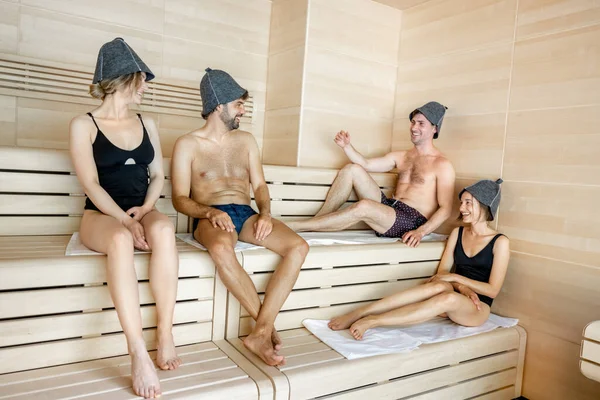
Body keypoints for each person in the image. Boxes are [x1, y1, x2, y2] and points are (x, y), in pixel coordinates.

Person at [171, 68, 309, 367]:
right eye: (238, 104)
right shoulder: (187, 144)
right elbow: (179, 198)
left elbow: (259, 185)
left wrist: (266, 214)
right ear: (218, 105)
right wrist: (209, 211)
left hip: (247, 213)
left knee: (298, 247)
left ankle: (259, 331)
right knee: (221, 248)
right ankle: (266, 328)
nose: (243, 110)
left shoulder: (245, 140)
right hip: (211, 217)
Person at [69, 38, 180, 399]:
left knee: (164, 229)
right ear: (124, 79)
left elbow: (159, 176)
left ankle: (164, 332)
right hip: (100, 216)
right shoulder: (83, 124)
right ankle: (136, 351)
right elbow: (90, 184)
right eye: (142, 79)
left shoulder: (148, 122)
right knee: (119, 240)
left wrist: (145, 212)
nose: (146, 87)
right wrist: (126, 222)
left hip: (140, 208)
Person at [328, 178, 509, 340]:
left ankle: (374, 320)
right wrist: (461, 287)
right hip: (456, 291)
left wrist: (455, 279)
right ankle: (361, 311)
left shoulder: (500, 242)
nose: (462, 208)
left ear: (485, 206)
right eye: (462, 202)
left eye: (468, 203)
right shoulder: (458, 233)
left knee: (449, 298)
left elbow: (492, 290)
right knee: (438, 286)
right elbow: (442, 273)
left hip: (476, 308)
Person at [287, 102, 455, 247]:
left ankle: (297, 226)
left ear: (435, 128)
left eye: (421, 123)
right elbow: (366, 164)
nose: (414, 128)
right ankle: (318, 221)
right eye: (413, 122)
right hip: (390, 208)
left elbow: (446, 208)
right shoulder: (402, 156)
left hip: (411, 221)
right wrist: (347, 146)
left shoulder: (441, 164)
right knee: (352, 169)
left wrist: (420, 232)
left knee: (364, 206)